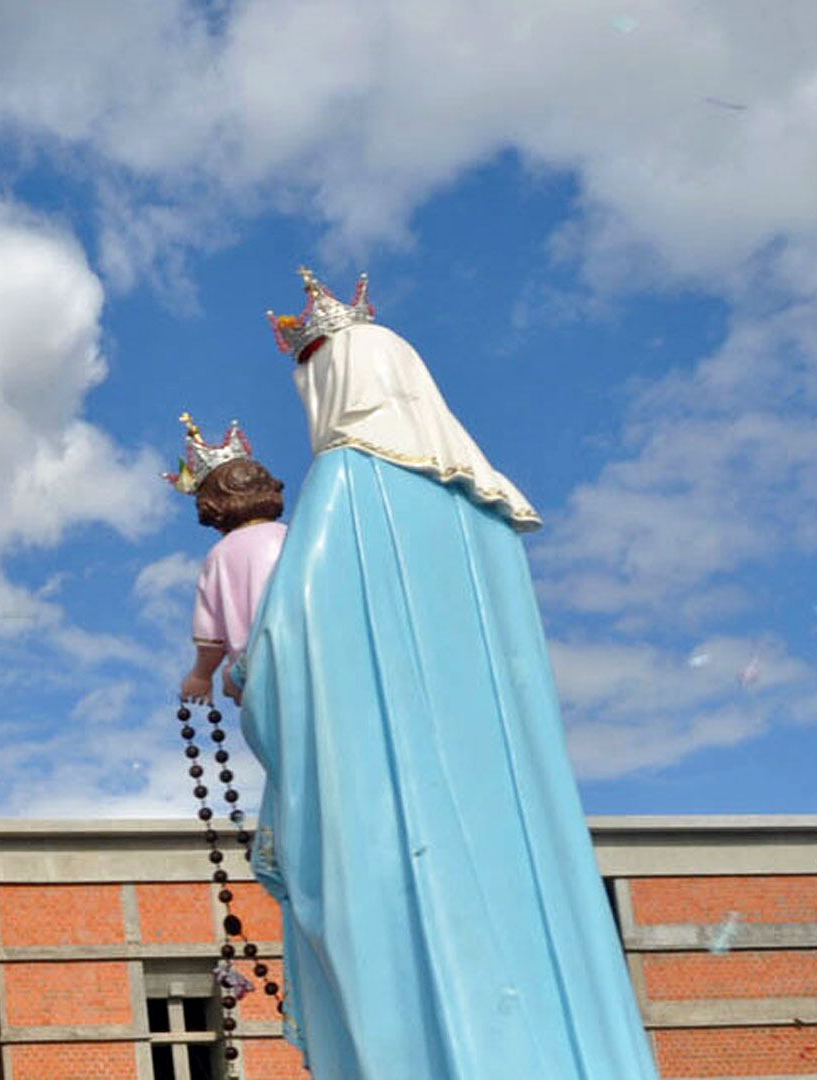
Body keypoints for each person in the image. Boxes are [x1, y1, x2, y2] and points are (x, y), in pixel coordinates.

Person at [234, 270, 659, 1078]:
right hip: (508, 802)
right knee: (536, 926)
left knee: (401, 946)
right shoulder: (488, 514)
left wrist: (249, 673)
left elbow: (291, 645)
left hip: (389, 804)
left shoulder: (350, 484)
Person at [166, 416, 287, 706]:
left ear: (212, 509)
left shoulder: (220, 555)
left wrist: (200, 676)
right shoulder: (293, 535)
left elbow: (212, 637)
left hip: (258, 666)